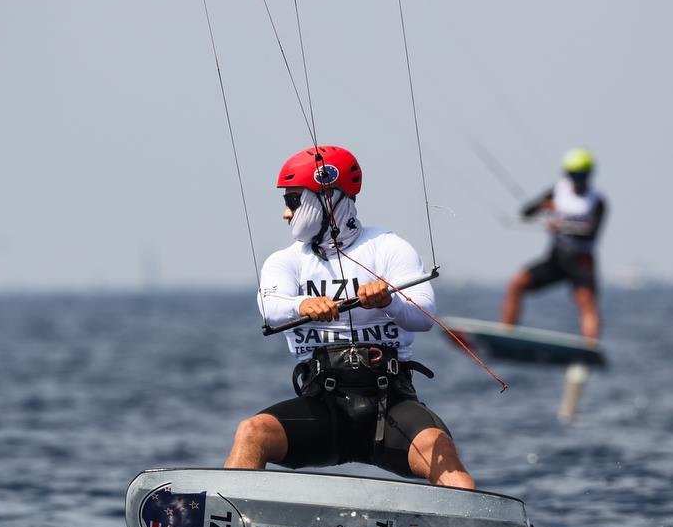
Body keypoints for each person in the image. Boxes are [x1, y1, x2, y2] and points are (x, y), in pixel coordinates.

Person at [225, 145, 474, 489]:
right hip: (323, 406)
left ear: (326, 199)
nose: (285, 213)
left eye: (293, 200)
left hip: (390, 406)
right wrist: (303, 305)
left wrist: (388, 301)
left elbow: (424, 315)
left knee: (439, 448)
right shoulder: (285, 261)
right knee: (252, 432)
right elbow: (270, 307)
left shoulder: (389, 247)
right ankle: (230, 518)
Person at [500, 148, 607, 339]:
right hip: (556, 258)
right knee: (517, 283)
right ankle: (506, 334)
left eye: (582, 176)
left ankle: (590, 346)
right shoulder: (558, 191)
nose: (578, 180)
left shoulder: (597, 201)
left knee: (586, 301)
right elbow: (526, 212)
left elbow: (592, 233)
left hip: (581, 261)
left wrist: (562, 225)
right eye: (574, 175)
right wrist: (543, 206)